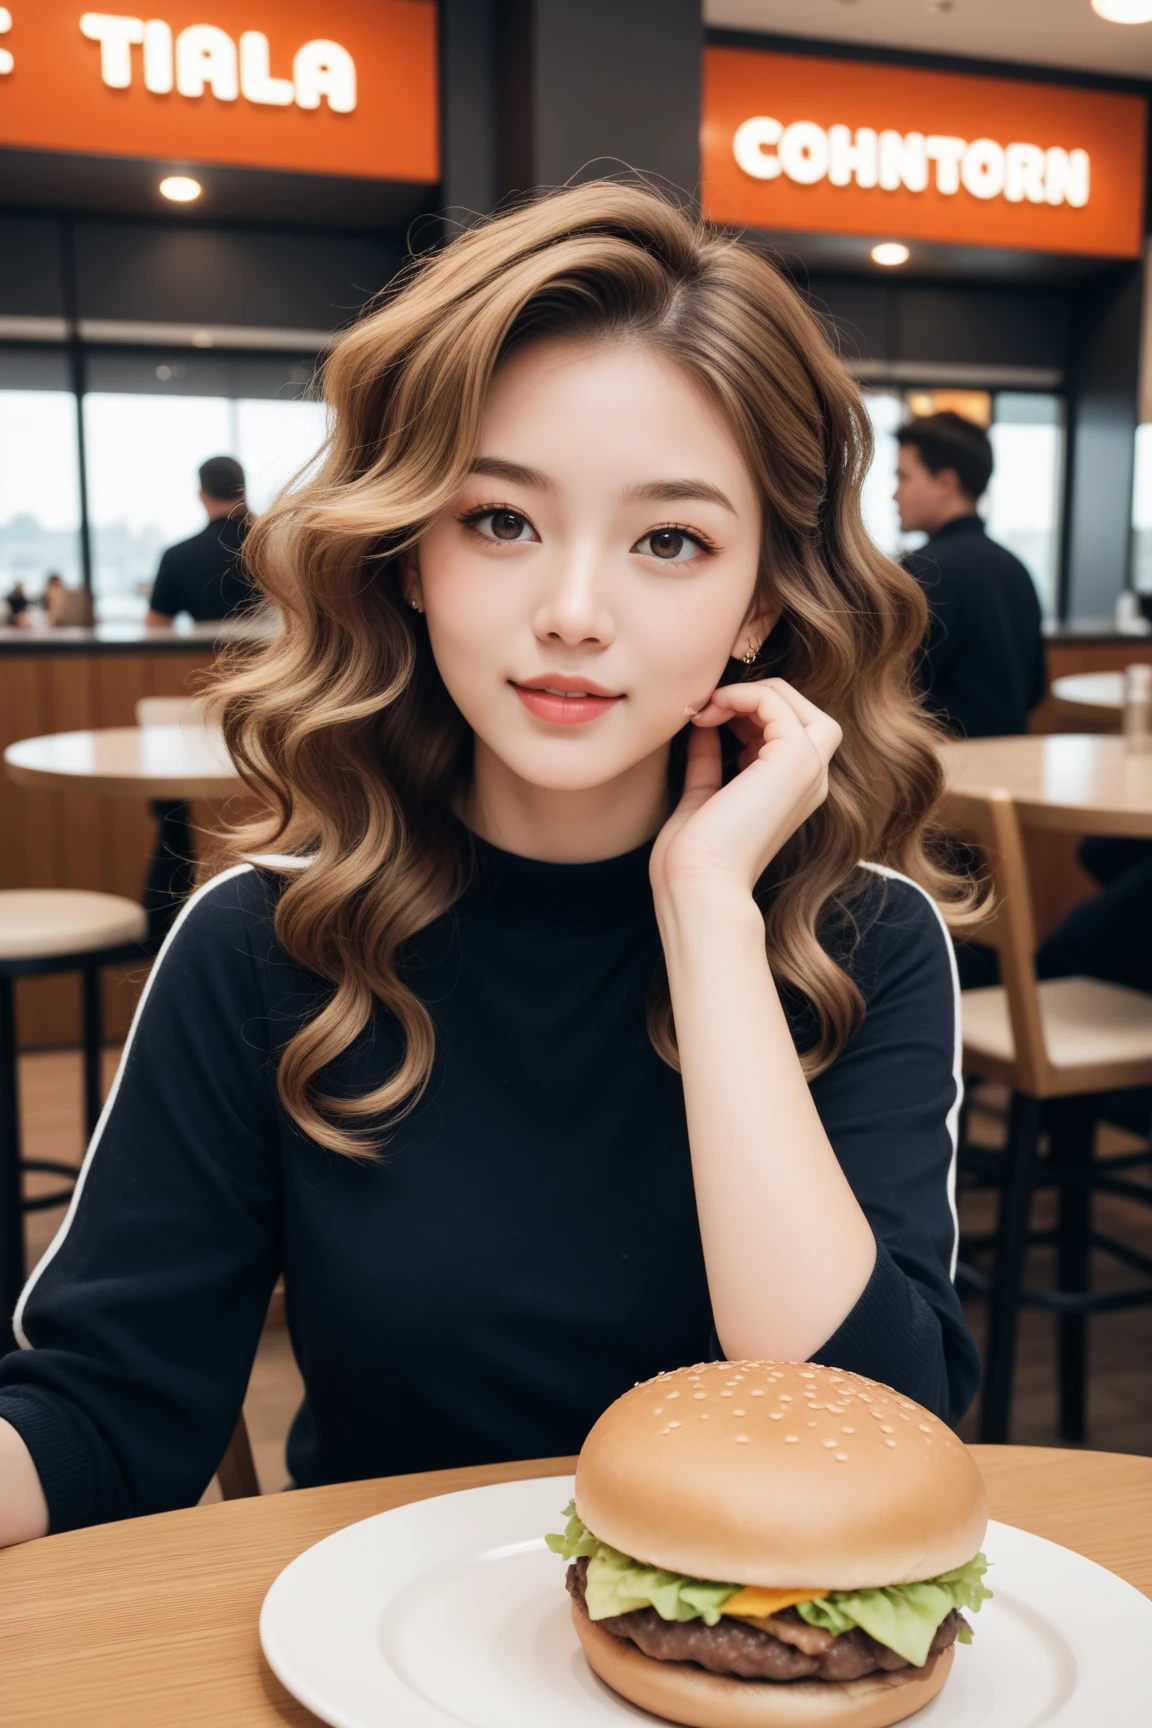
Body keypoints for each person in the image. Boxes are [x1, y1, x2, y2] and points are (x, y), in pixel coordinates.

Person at [0, 183, 983, 1544]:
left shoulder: (861, 943)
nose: (573, 613)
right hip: (368, 1656)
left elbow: (874, 1442)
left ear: (761, 597)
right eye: (501, 520)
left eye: (670, 541)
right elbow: (103, 1413)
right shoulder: (263, 943)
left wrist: (705, 912)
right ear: (411, 553)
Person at [895, 412, 1044, 739]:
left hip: (940, 771)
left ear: (946, 482)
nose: (895, 494)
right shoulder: (1016, 569)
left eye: (903, 477)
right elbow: (1035, 691)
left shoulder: (921, 570)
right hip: (1009, 769)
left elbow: (893, 696)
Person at [145, 455, 252, 625]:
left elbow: (156, 629)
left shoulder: (177, 557)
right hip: (282, 651)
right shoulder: (274, 545)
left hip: (208, 652)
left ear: (202, 495)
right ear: (243, 490)